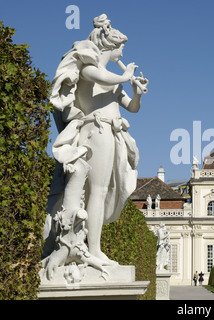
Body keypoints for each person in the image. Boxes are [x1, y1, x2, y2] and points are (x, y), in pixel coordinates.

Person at [43, 14, 148, 267]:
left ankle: (93, 246)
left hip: (110, 134)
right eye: (120, 49)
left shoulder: (113, 79)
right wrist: (126, 76)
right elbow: (101, 77)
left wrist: (136, 91)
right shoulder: (88, 68)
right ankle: (93, 249)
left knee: (100, 191)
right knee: (96, 191)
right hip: (95, 130)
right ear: (108, 46)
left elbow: (132, 108)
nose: (121, 55)